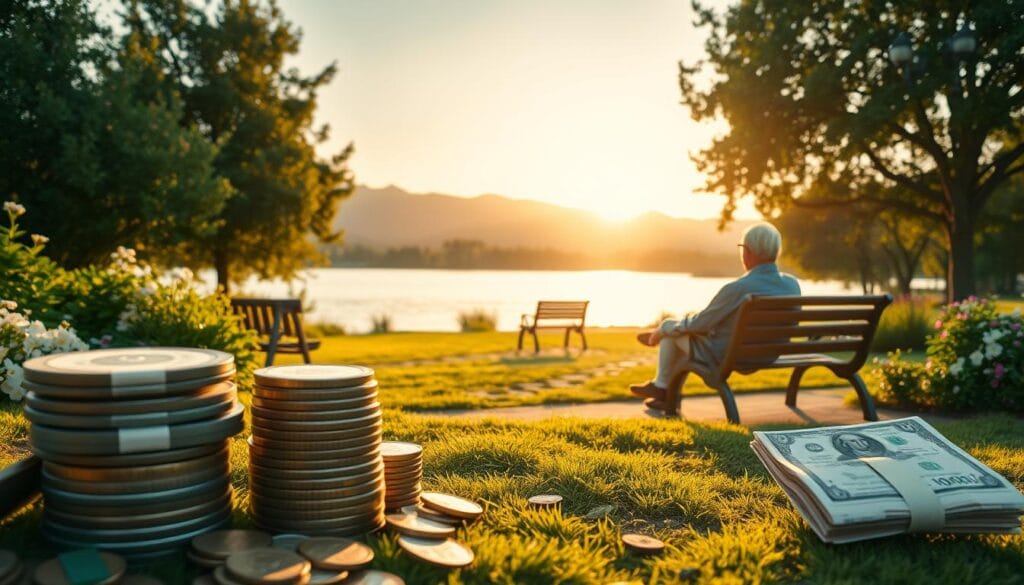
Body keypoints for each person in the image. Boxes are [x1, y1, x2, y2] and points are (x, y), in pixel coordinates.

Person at [630, 222, 801, 410]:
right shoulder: (792, 285)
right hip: (768, 355)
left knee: (673, 331)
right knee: (677, 329)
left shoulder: (737, 289)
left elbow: (700, 324)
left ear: (747, 252)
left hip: (728, 355)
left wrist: (664, 327)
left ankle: (662, 387)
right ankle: (663, 392)